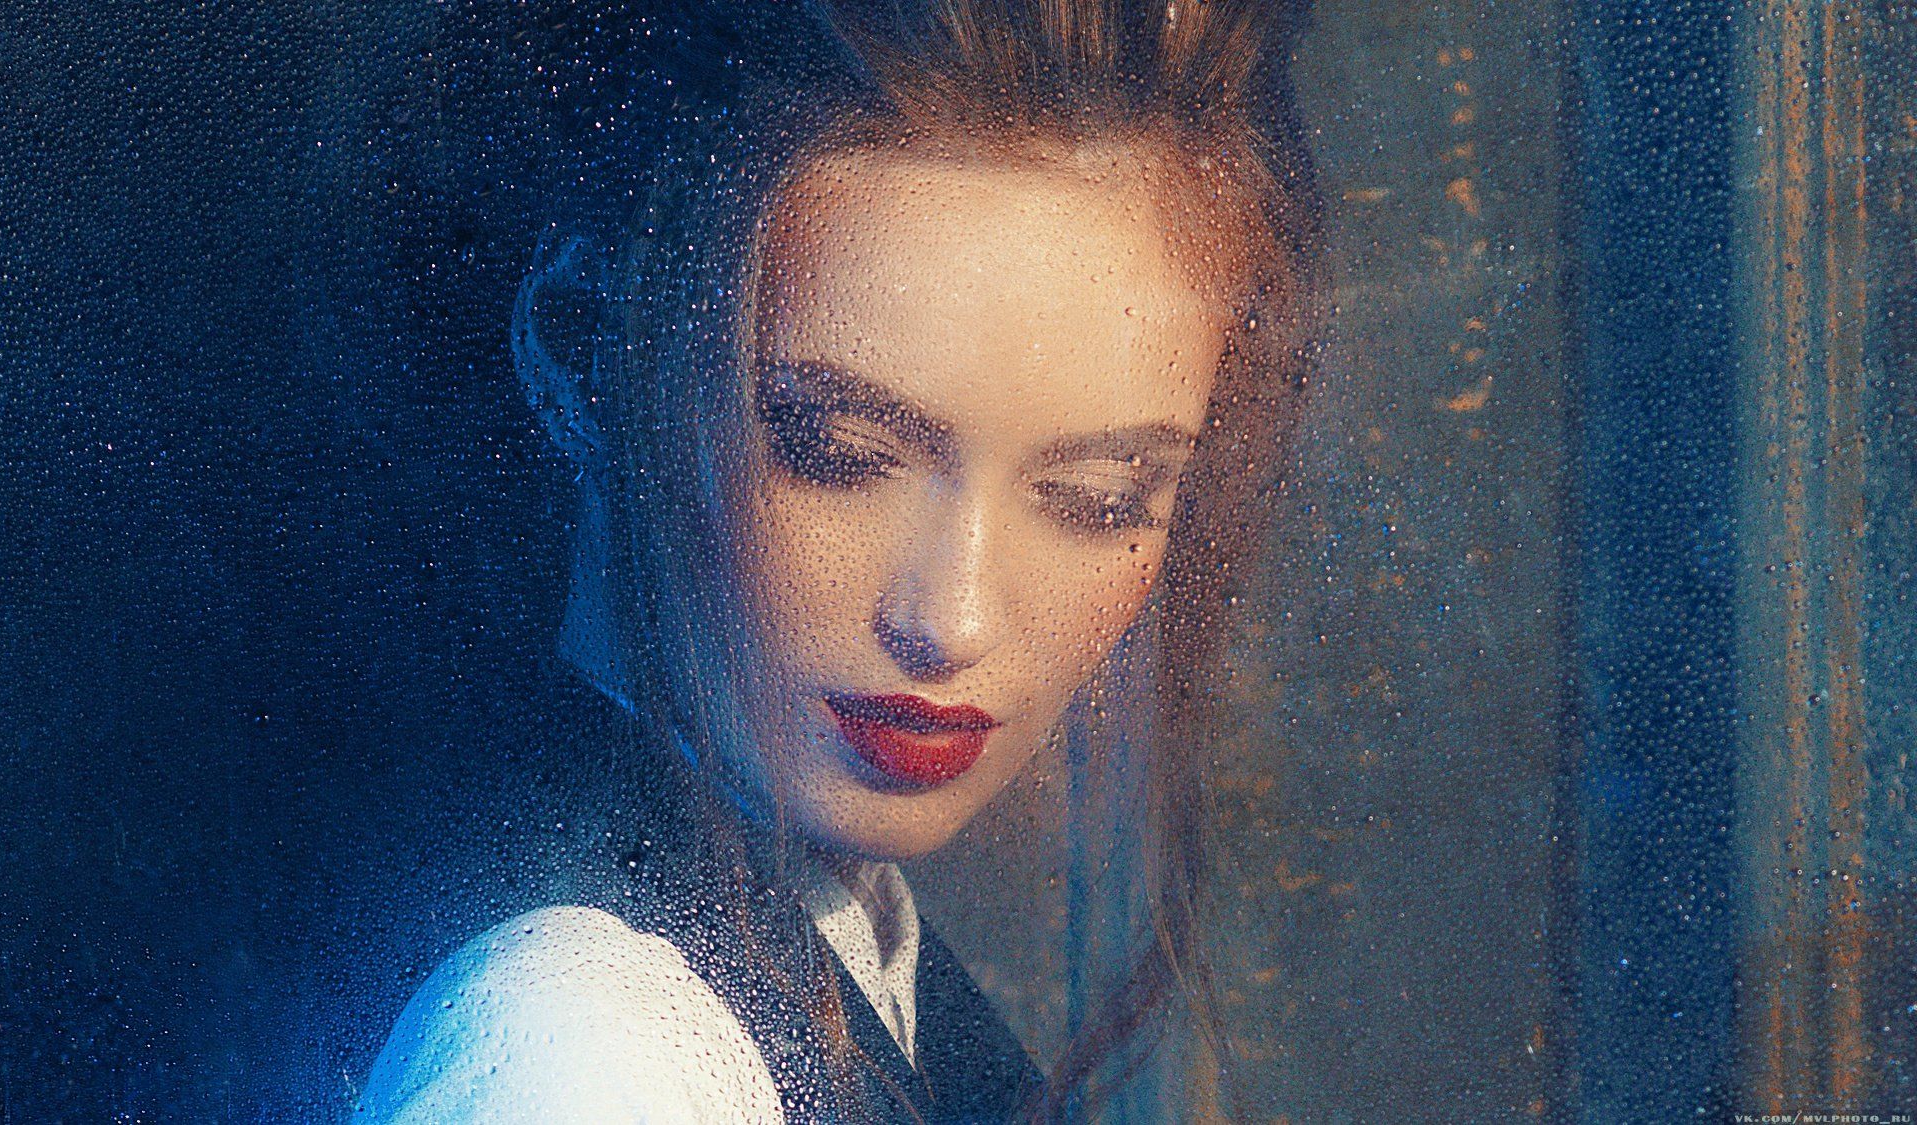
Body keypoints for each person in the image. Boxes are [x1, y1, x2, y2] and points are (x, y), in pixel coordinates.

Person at [355, 1, 1319, 1120]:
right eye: (838, 452)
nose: (951, 619)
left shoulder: (843, 942)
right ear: (583, 355)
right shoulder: (583, 1039)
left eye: (1099, 500)